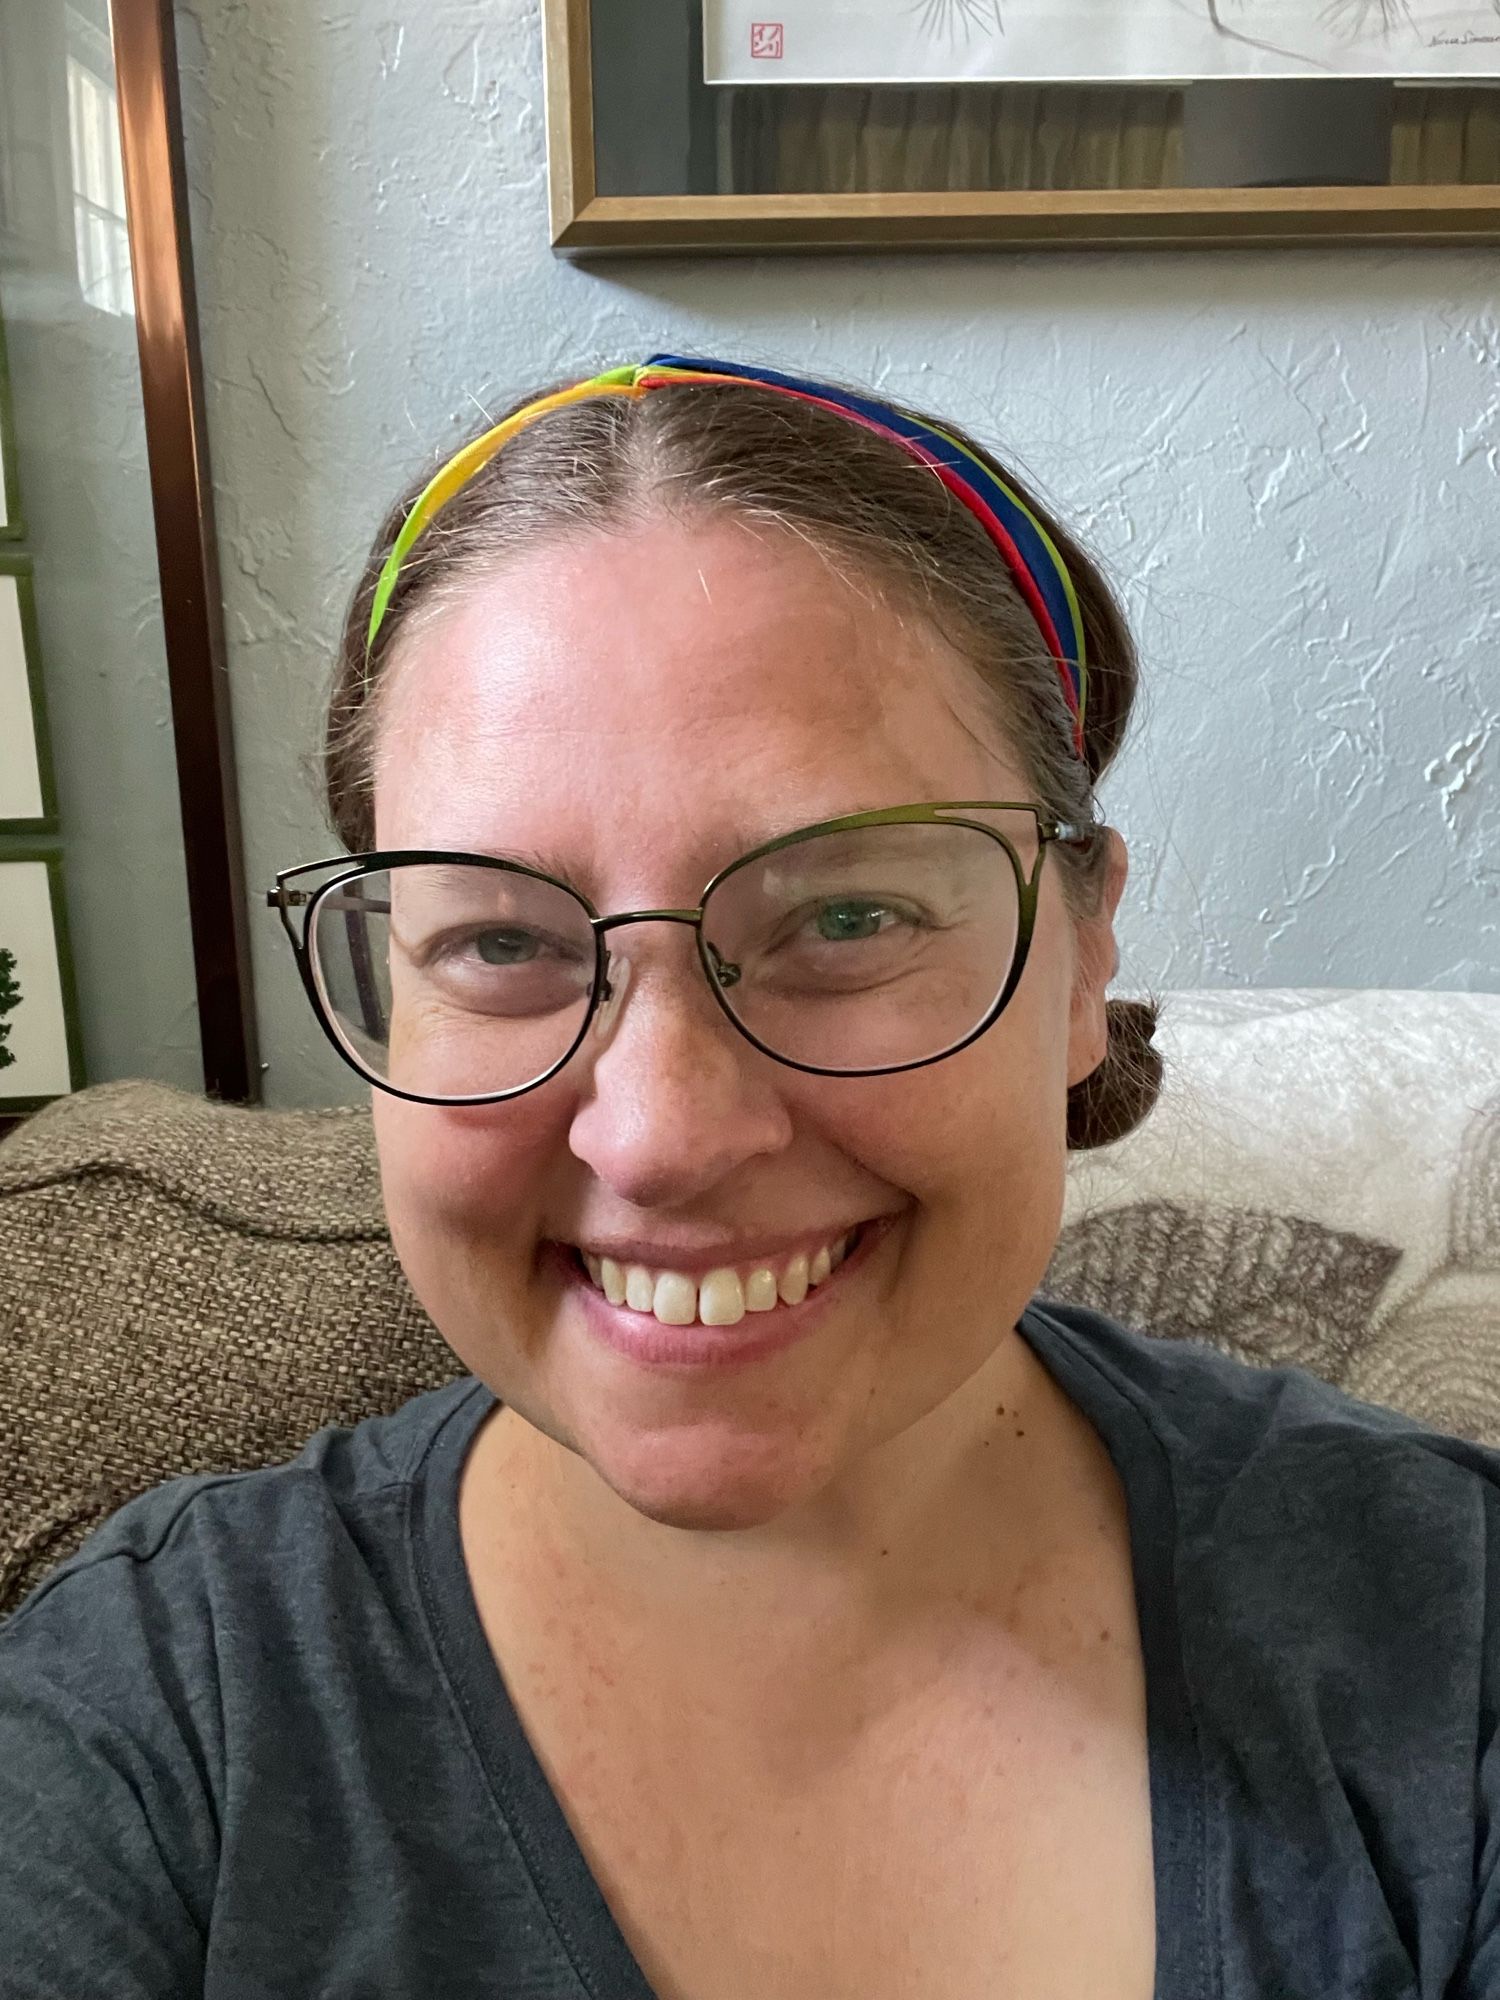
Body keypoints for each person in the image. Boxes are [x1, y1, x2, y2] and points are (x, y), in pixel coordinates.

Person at [1, 354, 1497, 2000]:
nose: (659, 1135)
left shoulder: (1451, 1642)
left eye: (846, 917)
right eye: (499, 939)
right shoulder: (147, 1724)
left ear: (1079, 957)